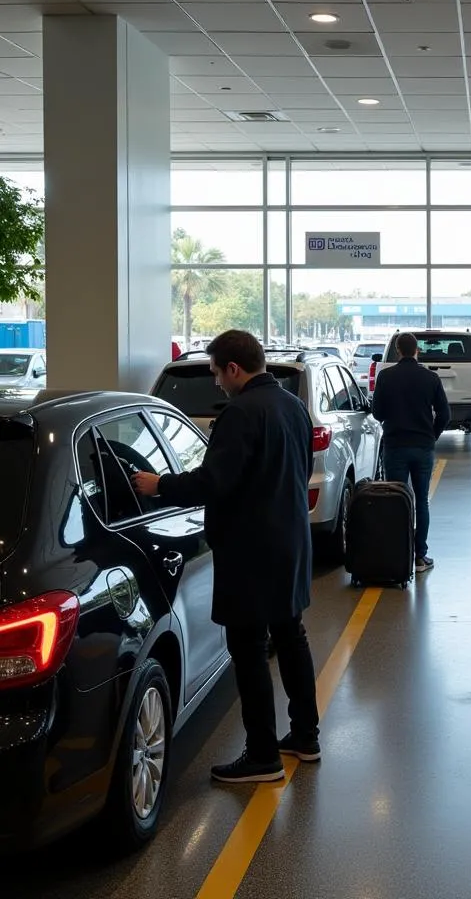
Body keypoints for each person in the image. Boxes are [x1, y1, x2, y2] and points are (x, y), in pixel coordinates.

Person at [132, 329, 320, 784]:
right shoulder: (294, 407)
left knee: (249, 649)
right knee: (291, 638)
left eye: (217, 373)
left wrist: (160, 486)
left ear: (234, 368)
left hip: (250, 551)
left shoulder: (240, 414)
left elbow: (213, 482)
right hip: (291, 543)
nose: (216, 382)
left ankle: (261, 756)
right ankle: (304, 737)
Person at [371, 332, 450, 573]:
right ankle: (419, 557)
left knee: (396, 501)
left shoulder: (385, 377)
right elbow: (445, 415)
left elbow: (377, 413)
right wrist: (431, 436)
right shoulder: (430, 378)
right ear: (417, 350)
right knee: (421, 501)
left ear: (398, 350)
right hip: (422, 446)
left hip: (395, 445)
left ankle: (397, 555)